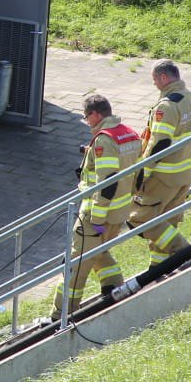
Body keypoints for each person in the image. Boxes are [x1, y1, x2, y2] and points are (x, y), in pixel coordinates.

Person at [53, 94, 142, 319]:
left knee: (76, 264)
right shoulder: (129, 134)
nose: (87, 122)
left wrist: (96, 219)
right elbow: (136, 173)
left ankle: (61, 313)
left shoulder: (104, 140)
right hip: (119, 213)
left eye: (86, 117)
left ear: (95, 114)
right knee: (99, 252)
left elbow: (108, 181)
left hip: (96, 215)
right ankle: (113, 286)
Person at [128, 60, 191, 267]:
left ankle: (186, 253)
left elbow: (159, 143)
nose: (154, 84)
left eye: (154, 79)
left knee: (142, 219)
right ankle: (158, 268)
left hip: (163, 176)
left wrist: (142, 173)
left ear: (164, 78)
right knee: (166, 222)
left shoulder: (167, 106)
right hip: (184, 174)